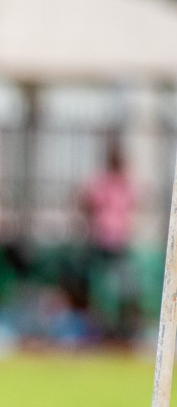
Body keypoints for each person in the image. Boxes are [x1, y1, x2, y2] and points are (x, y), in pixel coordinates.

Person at [79, 141, 140, 340]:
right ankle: (100, 329)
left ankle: (121, 329)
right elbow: (87, 202)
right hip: (102, 242)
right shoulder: (103, 182)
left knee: (123, 288)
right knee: (100, 288)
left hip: (119, 243)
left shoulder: (123, 183)